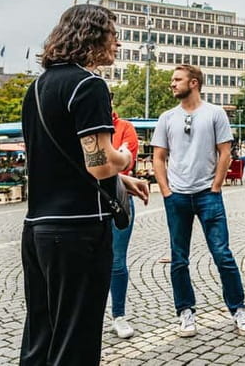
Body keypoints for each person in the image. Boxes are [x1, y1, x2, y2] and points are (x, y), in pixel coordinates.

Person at [20, 4, 150, 366]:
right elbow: (99, 163)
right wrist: (123, 157)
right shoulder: (89, 84)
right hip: (78, 230)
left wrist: (121, 179)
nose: (118, 43)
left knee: (41, 336)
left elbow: (58, 158)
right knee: (75, 342)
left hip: (38, 227)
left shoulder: (37, 87)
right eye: (113, 33)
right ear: (93, 35)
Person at [152, 64, 245, 338]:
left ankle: (238, 309)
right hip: (177, 197)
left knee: (223, 255)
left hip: (208, 196)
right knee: (179, 259)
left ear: (194, 83)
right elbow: (159, 157)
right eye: (172, 80)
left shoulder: (215, 113)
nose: (172, 84)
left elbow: (225, 152)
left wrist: (216, 186)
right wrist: (165, 191)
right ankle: (185, 312)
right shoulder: (166, 118)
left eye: (177, 79)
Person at [108, 96, 140, 339]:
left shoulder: (125, 127)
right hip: (87, 203)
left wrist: (111, 162)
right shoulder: (82, 124)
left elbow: (124, 167)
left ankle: (118, 315)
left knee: (117, 261)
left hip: (119, 200)